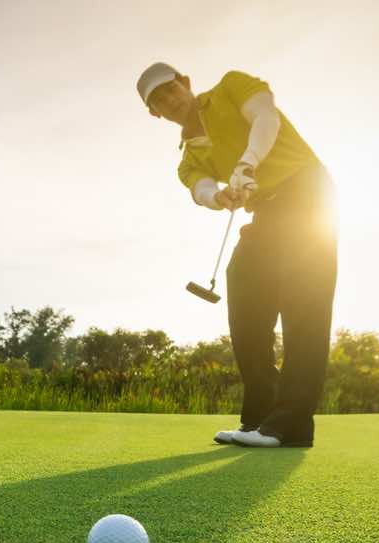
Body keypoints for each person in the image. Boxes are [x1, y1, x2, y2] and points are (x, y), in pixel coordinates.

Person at [136, 63, 338, 447]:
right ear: (154, 113)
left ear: (186, 83)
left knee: (303, 304)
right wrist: (220, 196)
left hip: (308, 193)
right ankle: (260, 416)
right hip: (265, 210)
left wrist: (247, 163)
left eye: (170, 88)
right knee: (243, 287)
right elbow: (201, 188)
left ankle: (292, 424)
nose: (169, 99)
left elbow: (265, 117)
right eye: (158, 100)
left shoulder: (232, 86)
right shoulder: (188, 159)